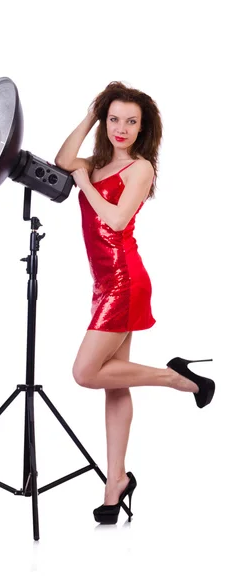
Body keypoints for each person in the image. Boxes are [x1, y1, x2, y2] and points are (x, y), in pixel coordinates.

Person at [54, 81, 215, 525]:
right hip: (103, 283)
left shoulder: (138, 168)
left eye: (131, 121)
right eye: (114, 119)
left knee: (85, 372)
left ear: (142, 129)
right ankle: (115, 480)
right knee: (112, 383)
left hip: (125, 281)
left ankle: (176, 378)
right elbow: (63, 161)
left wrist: (84, 182)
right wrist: (91, 112)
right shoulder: (96, 162)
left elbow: (117, 218)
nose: (121, 128)